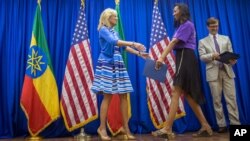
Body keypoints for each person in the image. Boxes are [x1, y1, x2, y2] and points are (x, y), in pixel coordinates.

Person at [152, 3, 213, 139]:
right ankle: (205, 125)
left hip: (185, 56)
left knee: (176, 91)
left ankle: (167, 128)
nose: (173, 13)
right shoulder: (182, 26)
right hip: (184, 57)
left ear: (182, 11)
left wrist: (161, 57)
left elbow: (173, 42)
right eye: (173, 11)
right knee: (188, 94)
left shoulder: (187, 25)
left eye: (175, 11)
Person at [91, 8, 148, 140]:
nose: (117, 19)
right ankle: (102, 128)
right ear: (108, 18)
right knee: (108, 96)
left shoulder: (114, 31)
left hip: (118, 63)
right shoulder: (103, 30)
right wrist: (135, 43)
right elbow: (114, 42)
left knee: (123, 96)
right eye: (115, 17)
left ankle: (126, 128)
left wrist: (139, 53)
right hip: (107, 64)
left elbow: (122, 47)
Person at [198, 17, 240, 133]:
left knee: (231, 99)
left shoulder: (225, 39)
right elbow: (202, 57)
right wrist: (212, 55)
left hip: (227, 72)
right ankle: (221, 125)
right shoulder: (202, 41)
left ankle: (235, 124)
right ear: (208, 27)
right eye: (212, 27)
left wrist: (232, 60)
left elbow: (230, 53)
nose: (214, 28)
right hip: (213, 74)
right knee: (217, 100)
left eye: (216, 26)